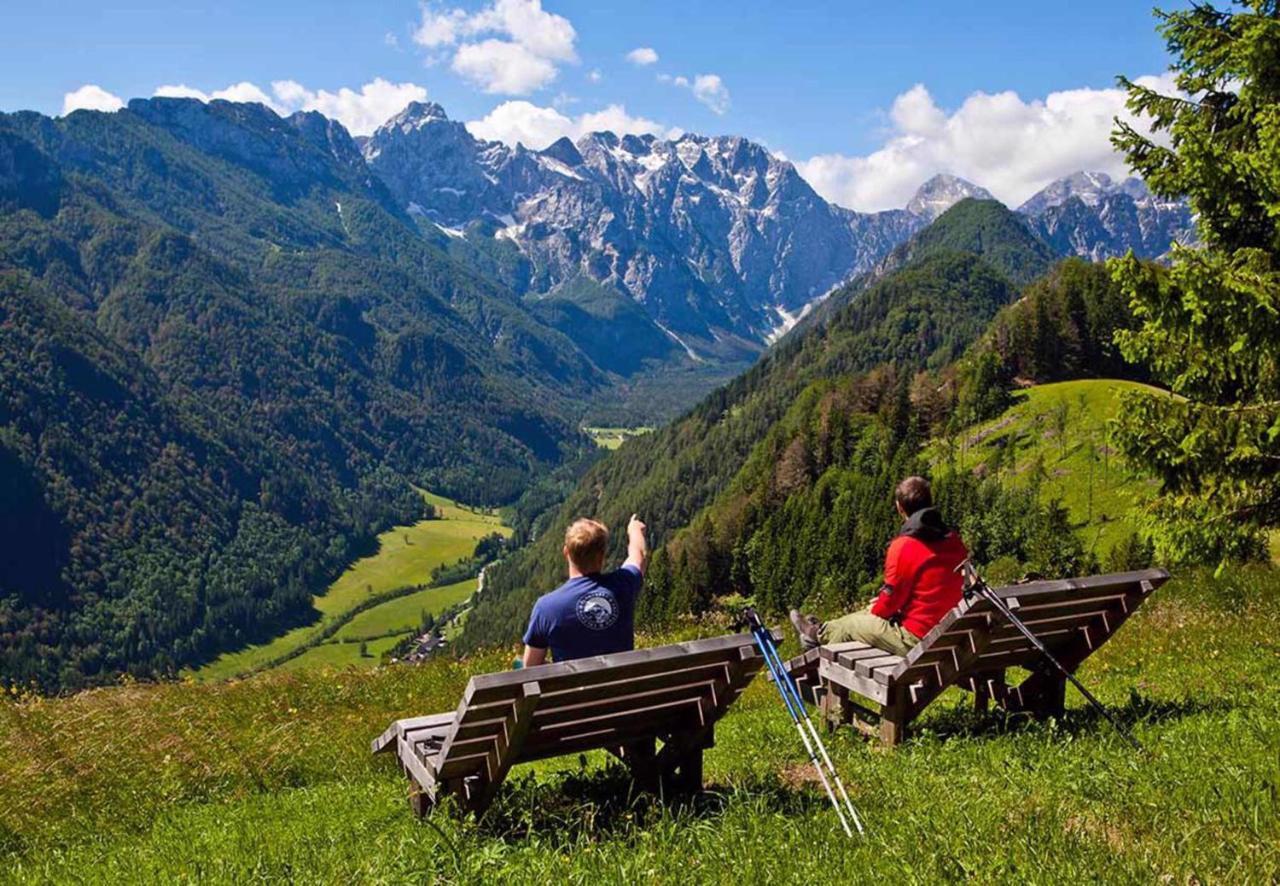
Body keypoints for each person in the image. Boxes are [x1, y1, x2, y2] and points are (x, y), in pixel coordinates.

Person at [790, 476, 967, 657]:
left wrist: (881, 606)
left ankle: (816, 635)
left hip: (918, 640)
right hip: (951, 634)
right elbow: (931, 588)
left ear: (899, 507)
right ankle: (821, 629)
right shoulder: (953, 540)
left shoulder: (903, 546)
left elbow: (889, 604)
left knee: (854, 624)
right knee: (865, 614)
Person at [521, 514, 648, 666]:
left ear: (566, 553)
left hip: (574, 689)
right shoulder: (623, 585)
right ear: (602, 555)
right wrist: (634, 530)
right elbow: (639, 555)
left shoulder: (546, 607)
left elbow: (530, 667)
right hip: (623, 688)